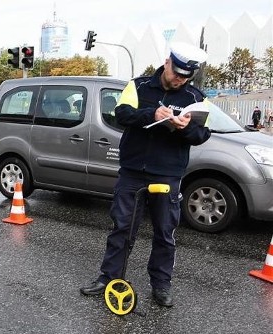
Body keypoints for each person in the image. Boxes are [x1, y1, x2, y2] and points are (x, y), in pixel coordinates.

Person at [79, 42, 211, 307]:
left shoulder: (196, 99)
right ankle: (109, 278)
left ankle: (161, 285)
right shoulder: (137, 86)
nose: (179, 80)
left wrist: (183, 128)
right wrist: (151, 113)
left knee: (165, 232)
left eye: (186, 77)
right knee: (122, 228)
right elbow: (121, 114)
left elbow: (202, 135)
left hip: (168, 174)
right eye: (177, 73)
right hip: (133, 172)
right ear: (167, 63)